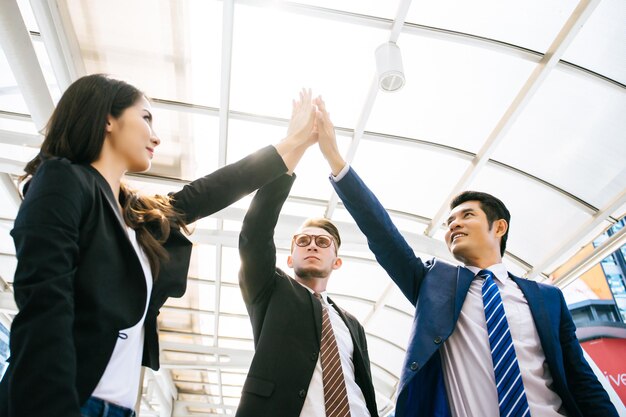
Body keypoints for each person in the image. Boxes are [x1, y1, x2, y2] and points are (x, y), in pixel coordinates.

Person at [0, 74, 318, 417]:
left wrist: (295, 142)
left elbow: (216, 188)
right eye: (146, 117)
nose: (156, 136)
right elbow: (44, 300)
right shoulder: (63, 179)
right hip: (60, 401)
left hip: (119, 408)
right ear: (108, 118)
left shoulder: (137, 216)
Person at [313, 97, 619, 417]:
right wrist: (335, 159)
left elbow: (582, 382)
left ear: (498, 227)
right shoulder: (434, 285)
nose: (454, 224)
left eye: (466, 215)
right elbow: (383, 236)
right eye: (449, 223)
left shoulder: (548, 299)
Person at [236, 138, 378, 416]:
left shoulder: (352, 324)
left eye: (323, 243)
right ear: (289, 259)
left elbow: (361, 384)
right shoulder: (269, 289)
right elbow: (255, 234)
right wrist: (290, 157)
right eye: (303, 241)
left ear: (336, 262)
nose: (312, 245)